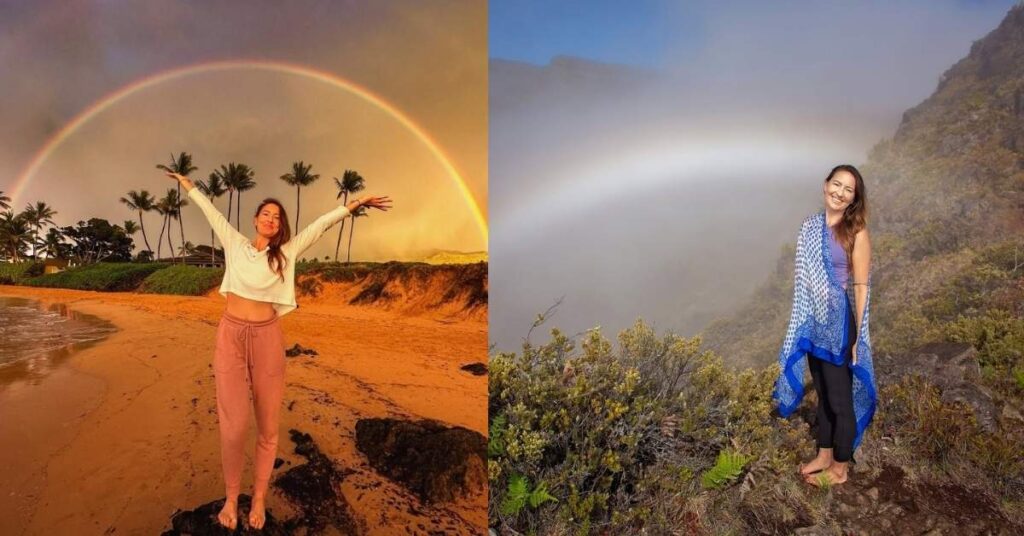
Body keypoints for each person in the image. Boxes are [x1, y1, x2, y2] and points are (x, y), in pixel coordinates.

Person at [163, 170, 391, 528]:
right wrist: (187, 184)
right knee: (234, 427)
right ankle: (231, 498)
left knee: (268, 427)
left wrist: (357, 203)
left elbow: (320, 225)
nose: (271, 219)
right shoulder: (234, 243)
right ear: (255, 220)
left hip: (267, 338)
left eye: (277, 217)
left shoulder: (286, 252)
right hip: (230, 337)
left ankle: (258, 497)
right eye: (266, 214)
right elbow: (210, 210)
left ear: (280, 226)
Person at [772, 164, 877, 487]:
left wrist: (860, 336)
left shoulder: (856, 233)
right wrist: (802, 324)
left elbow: (861, 286)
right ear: (825, 185)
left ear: (854, 198)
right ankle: (824, 454)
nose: (840, 192)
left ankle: (840, 470)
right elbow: (803, 281)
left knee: (840, 399)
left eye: (848, 189)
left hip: (839, 325)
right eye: (837, 184)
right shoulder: (810, 227)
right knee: (822, 394)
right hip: (814, 323)